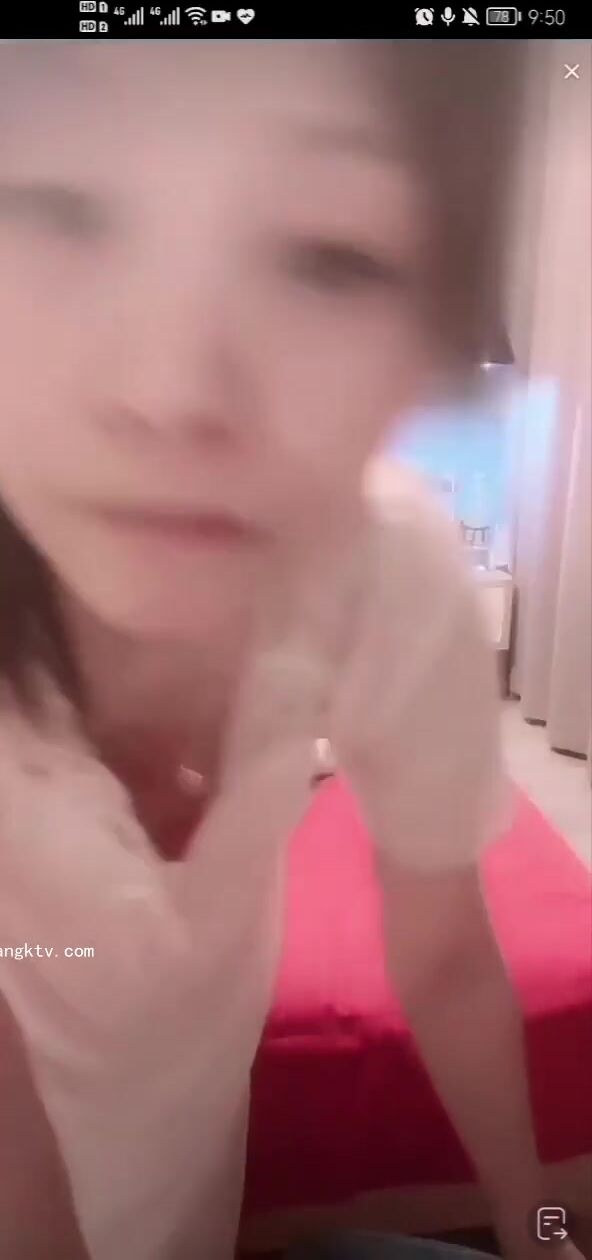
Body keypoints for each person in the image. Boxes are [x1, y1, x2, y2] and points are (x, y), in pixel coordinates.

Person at [0, 38, 580, 1260]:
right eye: (58, 208)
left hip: (185, 1181)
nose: (172, 389)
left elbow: (446, 950)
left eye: (330, 255)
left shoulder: (385, 573)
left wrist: (536, 1219)